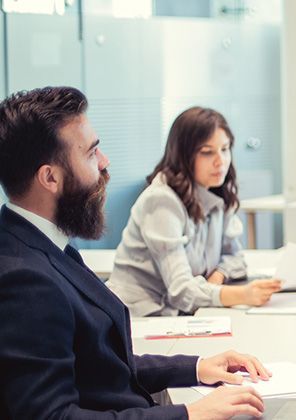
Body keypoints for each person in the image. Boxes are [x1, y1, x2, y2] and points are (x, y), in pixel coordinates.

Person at [0, 86, 272, 419]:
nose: (104, 162)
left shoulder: (45, 246)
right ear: (50, 177)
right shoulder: (25, 280)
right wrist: (188, 414)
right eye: (91, 153)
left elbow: (102, 366)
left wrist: (197, 367)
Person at [107, 107, 281, 317]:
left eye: (225, 149)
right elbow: (181, 291)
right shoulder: (162, 200)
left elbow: (235, 258)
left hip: (182, 314)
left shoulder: (217, 193)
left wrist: (217, 278)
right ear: (183, 156)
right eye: (207, 152)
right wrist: (242, 294)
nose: (220, 161)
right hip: (140, 317)